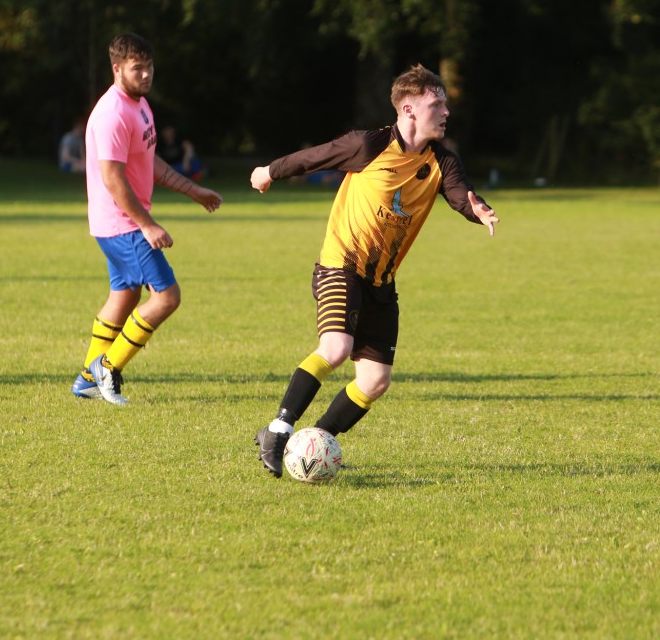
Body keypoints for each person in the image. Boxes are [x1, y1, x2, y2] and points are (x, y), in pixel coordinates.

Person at [249, 63, 499, 477]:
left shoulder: (442, 161)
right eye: (436, 104)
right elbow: (314, 157)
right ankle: (277, 432)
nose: (445, 111)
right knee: (335, 348)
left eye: (445, 104)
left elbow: (461, 195)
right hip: (340, 265)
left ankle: (317, 442)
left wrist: (478, 210)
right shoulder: (369, 145)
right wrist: (268, 171)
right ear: (408, 109)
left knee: (375, 381)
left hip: (381, 283)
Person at [71, 33, 223, 405]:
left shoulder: (138, 105)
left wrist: (194, 191)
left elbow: (148, 160)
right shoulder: (112, 114)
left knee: (125, 296)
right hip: (122, 224)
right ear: (117, 69)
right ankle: (107, 366)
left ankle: (88, 379)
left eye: (149, 66)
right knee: (167, 297)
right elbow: (113, 179)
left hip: (117, 223)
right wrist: (146, 224)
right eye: (137, 68)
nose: (145, 74)